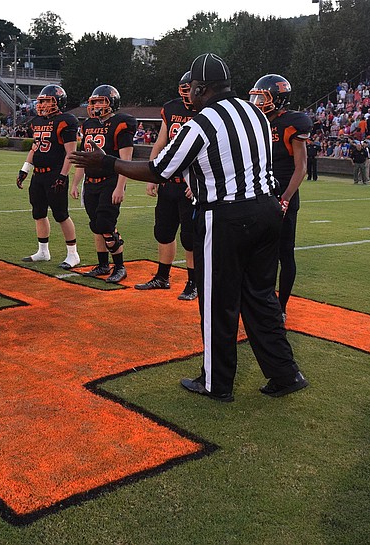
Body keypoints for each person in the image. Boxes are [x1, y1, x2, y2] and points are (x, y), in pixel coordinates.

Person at [70, 53, 307, 401]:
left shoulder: (202, 123)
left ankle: (216, 383)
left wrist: (107, 161)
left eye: (192, 89)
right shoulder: (255, 113)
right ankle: (285, 374)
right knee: (260, 298)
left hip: (226, 215)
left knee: (217, 303)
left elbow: (159, 169)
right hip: (268, 210)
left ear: (200, 88)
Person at [249, 74, 312, 323]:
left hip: (283, 196)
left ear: (278, 99)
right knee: (256, 253)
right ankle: (259, 300)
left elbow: (301, 167)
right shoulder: (255, 123)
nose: (256, 101)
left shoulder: (293, 123)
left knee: (284, 253)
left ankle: (281, 307)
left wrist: (285, 198)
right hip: (259, 194)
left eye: (262, 97)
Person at [135, 71, 197, 300]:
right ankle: (162, 277)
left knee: (190, 238)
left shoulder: (209, 111)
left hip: (192, 185)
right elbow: (161, 143)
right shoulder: (171, 108)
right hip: (169, 182)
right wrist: (154, 174)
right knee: (164, 232)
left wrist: (200, 182)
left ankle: (194, 282)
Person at [70, 84, 136, 284]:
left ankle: (120, 266)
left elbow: (126, 158)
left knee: (107, 225)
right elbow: (84, 158)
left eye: (101, 101)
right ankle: (102, 264)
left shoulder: (121, 123)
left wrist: (120, 186)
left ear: (112, 103)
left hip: (110, 180)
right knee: (96, 226)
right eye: (94, 101)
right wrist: (75, 183)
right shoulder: (88, 124)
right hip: (91, 182)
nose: (97, 105)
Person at [16, 84, 81, 269]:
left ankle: (73, 254)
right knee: (38, 213)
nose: (42, 105)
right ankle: (43, 251)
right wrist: (24, 170)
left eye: (46, 101)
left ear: (58, 102)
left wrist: (62, 176)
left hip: (55, 174)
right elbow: (34, 148)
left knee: (61, 215)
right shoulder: (37, 121)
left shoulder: (66, 121)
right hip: (39, 175)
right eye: (41, 101)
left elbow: (71, 153)